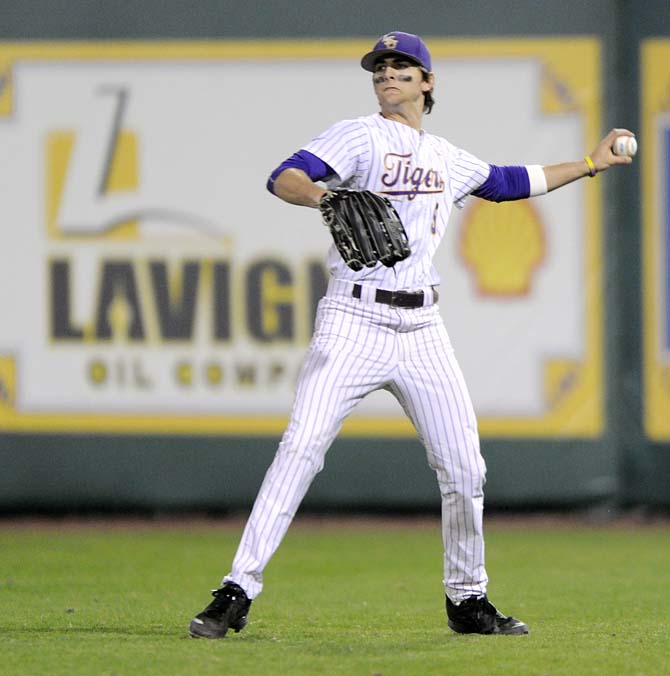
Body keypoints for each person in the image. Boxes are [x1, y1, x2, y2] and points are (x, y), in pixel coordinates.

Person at [189, 31, 634, 638]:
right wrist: (325, 196)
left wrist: (590, 164)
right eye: (380, 69)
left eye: (402, 68)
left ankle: (468, 599)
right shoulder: (360, 135)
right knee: (300, 447)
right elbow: (284, 176)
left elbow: (507, 181)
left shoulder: (447, 158)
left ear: (428, 83)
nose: (388, 76)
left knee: (464, 468)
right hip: (353, 320)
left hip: (423, 327)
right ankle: (236, 589)